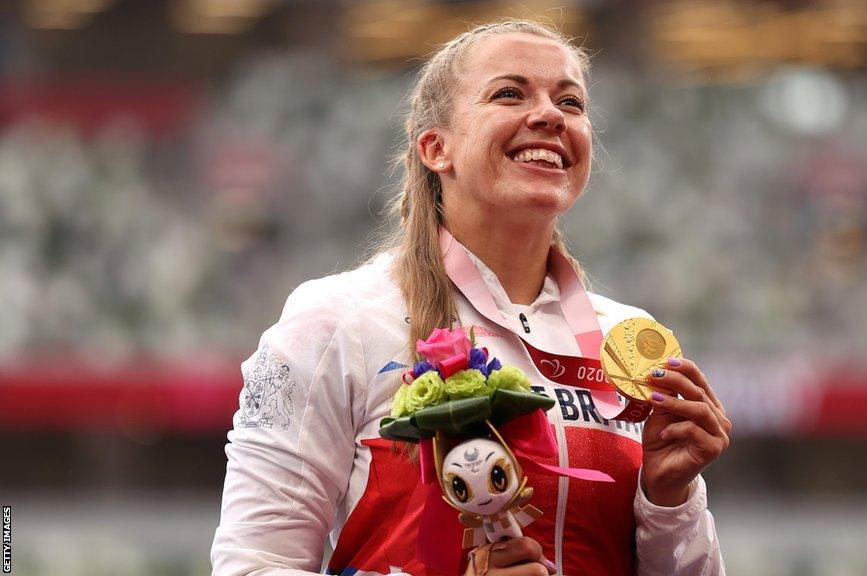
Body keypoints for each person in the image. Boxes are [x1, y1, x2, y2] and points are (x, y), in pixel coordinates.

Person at [212, 19, 730, 576]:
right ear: (436, 148)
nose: (551, 115)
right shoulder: (337, 321)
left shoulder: (628, 344)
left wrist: (669, 497)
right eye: (509, 93)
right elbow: (251, 566)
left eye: (571, 102)